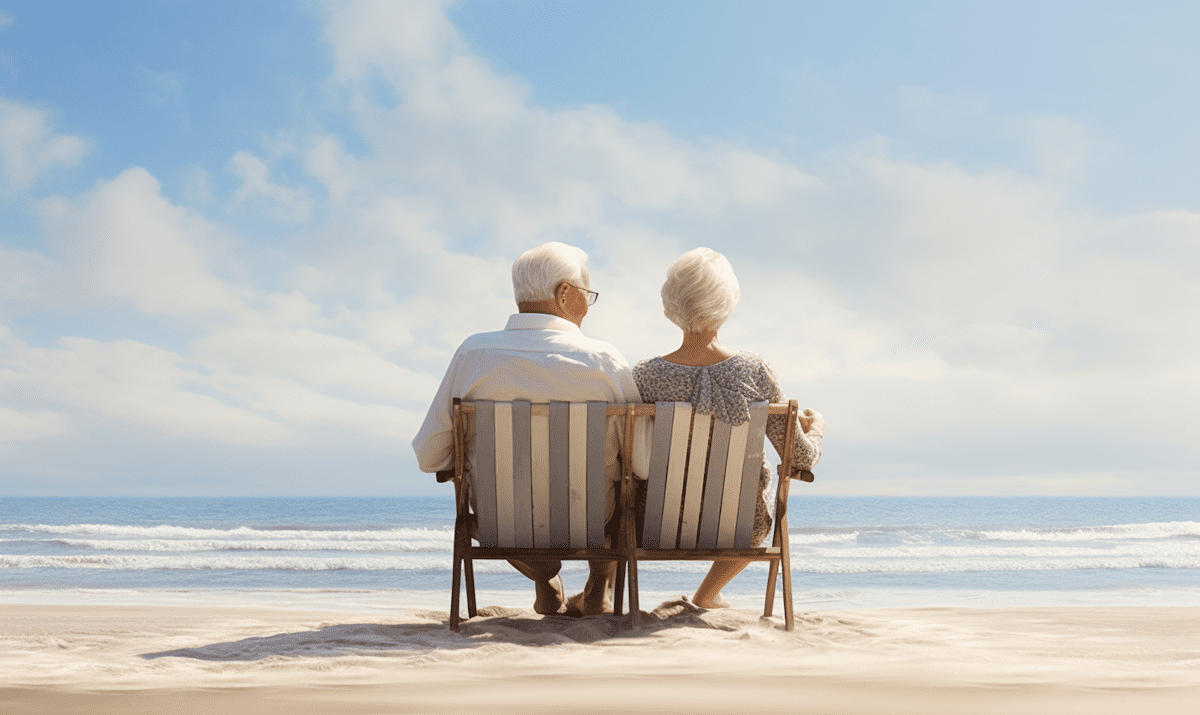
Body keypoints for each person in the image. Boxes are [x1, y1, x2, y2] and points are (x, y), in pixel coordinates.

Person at [412, 242, 642, 616]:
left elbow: (429, 456)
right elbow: (641, 459)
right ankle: (599, 586)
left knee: (516, 500)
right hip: (591, 523)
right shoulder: (605, 360)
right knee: (627, 482)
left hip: (501, 527)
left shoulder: (473, 354)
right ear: (565, 294)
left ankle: (544, 579)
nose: (588, 306)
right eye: (588, 295)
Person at [632, 247, 824, 608]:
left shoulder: (645, 376)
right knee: (754, 515)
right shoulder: (755, 370)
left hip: (655, 526)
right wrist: (817, 430)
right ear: (726, 302)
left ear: (671, 302)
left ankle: (698, 596)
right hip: (741, 529)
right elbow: (799, 457)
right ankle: (707, 595)